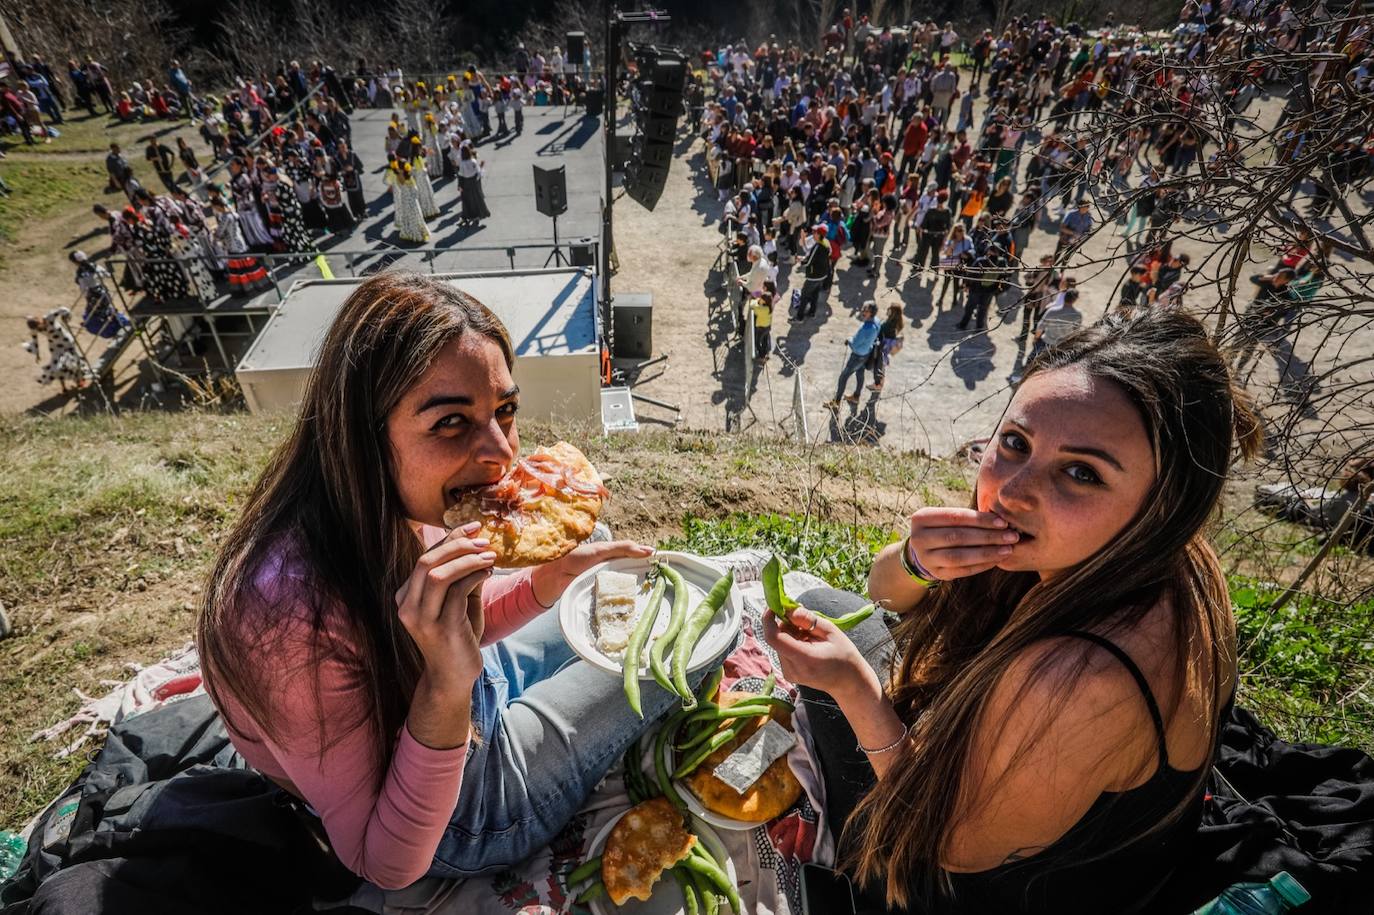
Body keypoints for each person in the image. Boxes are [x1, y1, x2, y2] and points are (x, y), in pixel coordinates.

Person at [198, 272, 731, 890]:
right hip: (456, 816)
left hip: (460, 692)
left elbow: (458, 633)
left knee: (647, 584)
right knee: (702, 629)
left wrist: (543, 584)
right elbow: (385, 862)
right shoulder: (287, 621)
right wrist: (448, 684)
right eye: (451, 422)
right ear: (361, 434)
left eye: (505, 410)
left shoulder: (388, 501)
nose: (501, 454)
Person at [768, 309, 1258, 915]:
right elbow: (886, 593)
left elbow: (951, 846)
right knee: (828, 608)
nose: (1015, 491)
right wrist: (919, 562)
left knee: (824, 668)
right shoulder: (1164, 558)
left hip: (977, 887)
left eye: (1081, 473)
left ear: (1163, 506)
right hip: (1083, 843)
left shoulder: (1081, 678)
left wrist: (854, 690)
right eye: (1015, 443)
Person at [826, 302, 881, 408]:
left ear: (871, 313)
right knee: (860, 374)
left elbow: (855, 344)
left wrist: (849, 340)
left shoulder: (866, 328)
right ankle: (856, 396)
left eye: (866, 310)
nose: (863, 311)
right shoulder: (877, 322)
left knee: (843, 377)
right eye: (863, 308)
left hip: (857, 355)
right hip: (866, 353)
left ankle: (836, 402)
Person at [385, 158, 430, 243]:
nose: (408, 165)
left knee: (411, 215)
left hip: (408, 198)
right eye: (406, 164)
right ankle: (416, 234)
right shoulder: (403, 176)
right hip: (410, 199)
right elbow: (410, 186)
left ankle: (412, 233)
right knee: (414, 216)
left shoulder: (401, 175)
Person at [795, 225, 830, 320]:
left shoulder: (817, 246)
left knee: (804, 295)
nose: (813, 234)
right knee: (815, 294)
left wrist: (800, 261)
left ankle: (799, 317)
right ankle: (812, 312)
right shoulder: (826, 243)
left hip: (813, 276)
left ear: (819, 234)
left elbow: (809, 262)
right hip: (822, 275)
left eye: (815, 233)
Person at [867, 304, 904, 391]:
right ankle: (880, 383)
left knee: (878, 366)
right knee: (881, 365)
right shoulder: (897, 322)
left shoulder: (888, 324)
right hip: (887, 346)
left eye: (889, 309)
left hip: (882, 346)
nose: (887, 310)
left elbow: (879, 330)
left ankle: (878, 384)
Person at [456, 145, 490, 225]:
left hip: (465, 184)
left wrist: (459, 185)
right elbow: (478, 173)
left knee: (466, 201)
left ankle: (466, 217)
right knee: (476, 200)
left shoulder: (462, 163)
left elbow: (461, 175)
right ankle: (477, 215)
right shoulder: (473, 161)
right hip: (474, 183)